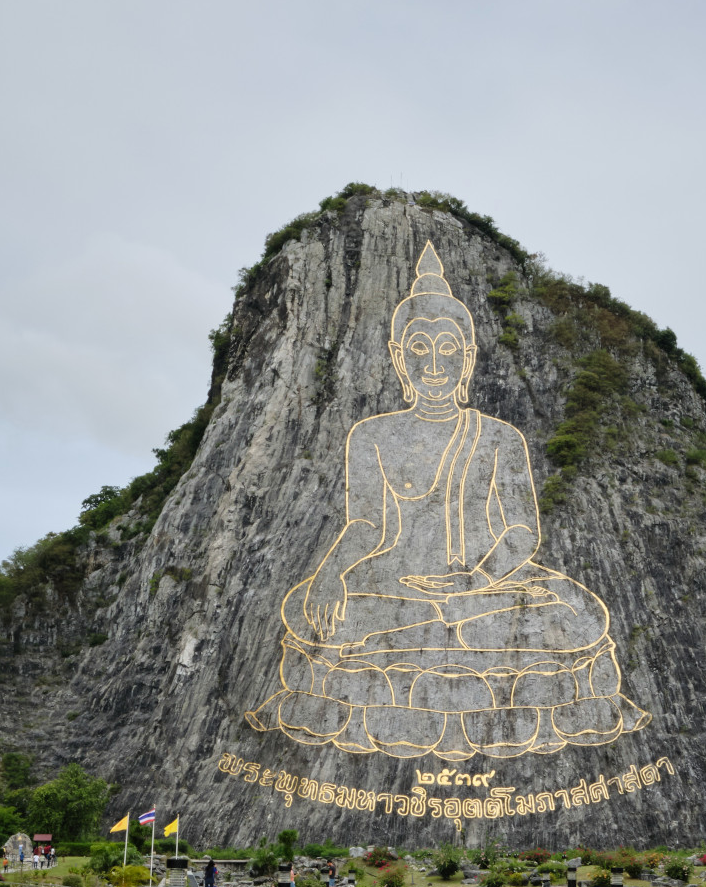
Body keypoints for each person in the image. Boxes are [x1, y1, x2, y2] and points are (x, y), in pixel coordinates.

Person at [247, 242, 649, 762]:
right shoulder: (372, 434)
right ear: (397, 356)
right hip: (400, 585)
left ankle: (437, 639)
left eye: (447, 349)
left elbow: (523, 531)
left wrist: (479, 580)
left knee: (580, 615)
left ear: (468, 357)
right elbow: (367, 524)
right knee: (312, 609)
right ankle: (441, 638)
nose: (433, 364)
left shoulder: (500, 437)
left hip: (490, 586)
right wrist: (330, 573)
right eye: (418, 348)